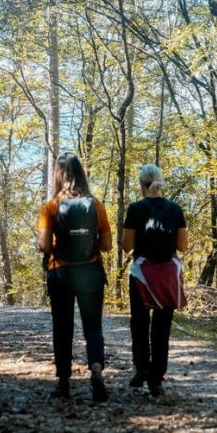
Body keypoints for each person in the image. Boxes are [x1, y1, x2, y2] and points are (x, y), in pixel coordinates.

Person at [38, 153, 113, 402]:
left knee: (62, 327)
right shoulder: (96, 204)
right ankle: (96, 370)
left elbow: (44, 244)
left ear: (58, 175)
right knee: (93, 326)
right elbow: (107, 245)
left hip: (61, 273)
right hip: (90, 272)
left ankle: (63, 382)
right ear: (81, 173)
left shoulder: (51, 206)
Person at [122, 164, 189, 398]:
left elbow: (127, 246)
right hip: (167, 275)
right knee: (162, 325)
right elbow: (182, 246)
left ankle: (141, 368)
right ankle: (157, 378)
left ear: (141, 184)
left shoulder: (136, 209)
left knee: (139, 321)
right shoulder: (175, 209)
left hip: (142, 274)